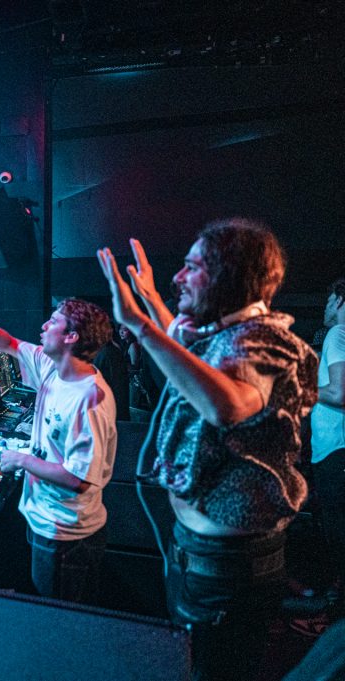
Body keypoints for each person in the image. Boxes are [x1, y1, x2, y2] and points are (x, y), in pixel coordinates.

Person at [97, 219, 317, 681]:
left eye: (192, 266)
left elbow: (229, 405)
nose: (179, 277)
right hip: (203, 557)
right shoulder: (225, 334)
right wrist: (152, 301)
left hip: (228, 571)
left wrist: (137, 322)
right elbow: (184, 350)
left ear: (228, 276)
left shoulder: (261, 339)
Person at [0, 298, 117, 604]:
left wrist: (21, 459)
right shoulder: (53, 368)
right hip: (45, 521)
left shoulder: (89, 399)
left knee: (59, 618)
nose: (43, 325)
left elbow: (79, 478)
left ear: (72, 337)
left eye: (53, 321)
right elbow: (10, 343)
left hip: (67, 535)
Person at [310, 277, 345, 612]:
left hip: (335, 448)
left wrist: (300, 393)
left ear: (338, 299)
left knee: (336, 531)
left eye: (327, 299)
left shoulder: (337, 334)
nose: (324, 307)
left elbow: (339, 392)